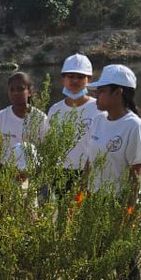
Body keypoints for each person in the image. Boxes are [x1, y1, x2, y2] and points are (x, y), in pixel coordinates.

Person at [85, 64, 141, 194]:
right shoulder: (98, 120)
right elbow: (89, 162)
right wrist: (81, 191)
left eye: (101, 91)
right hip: (93, 197)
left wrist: (129, 205)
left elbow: (136, 172)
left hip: (118, 199)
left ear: (118, 93)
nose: (96, 95)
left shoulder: (134, 126)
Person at [47, 53, 100, 193]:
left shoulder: (99, 109)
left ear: (89, 80)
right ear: (63, 79)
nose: (75, 81)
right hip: (61, 173)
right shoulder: (55, 110)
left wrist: (86, 178)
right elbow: (49, 146)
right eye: (70, 76)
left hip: (91, 173)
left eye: (80, 77)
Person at [0, 70, 49, 170]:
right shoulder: (0, 117)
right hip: (6, 171)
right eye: (12, 90)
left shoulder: (40, 118)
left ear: (30, 92)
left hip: (32, 171)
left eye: (20, 89)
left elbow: (46, 151)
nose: (15, 93)